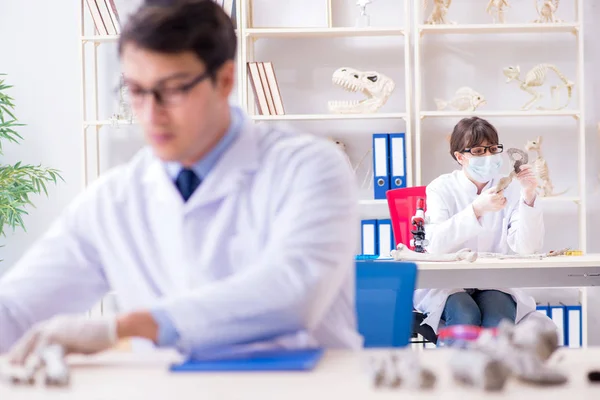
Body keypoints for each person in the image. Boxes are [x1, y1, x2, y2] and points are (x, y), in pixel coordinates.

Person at [0, 0, 362, 364]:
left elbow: (292, 292)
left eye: (172, 89)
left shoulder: (310, 167)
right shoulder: (113, 201)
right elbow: (16, 308)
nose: (150, 114)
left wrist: (130, 327)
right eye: (136, 91)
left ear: (224, 80)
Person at [414, 116, 544, 335]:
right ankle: (461, 369)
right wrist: (476, 210)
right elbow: (435, 245)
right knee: (465, 314)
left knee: (499, 319)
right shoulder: (441, 188)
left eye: (493, 149)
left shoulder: (511, 188)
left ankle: (498, 370)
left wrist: (529, 196)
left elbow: (527, 248)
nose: (488, 156)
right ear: (460, 156)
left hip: (493, 280)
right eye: (478, 151)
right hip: (449, 283)